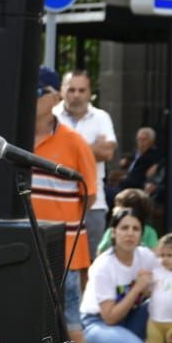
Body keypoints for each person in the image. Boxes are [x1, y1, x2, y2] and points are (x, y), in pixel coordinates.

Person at [32, 66, 97, 343]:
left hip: (65, 254)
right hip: (28, 250)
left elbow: (89, 194)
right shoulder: (12, 138)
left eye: (38, 93)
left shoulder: (74, 143)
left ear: (54, 97)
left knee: (72, 331)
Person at [80, 207, 158, 343]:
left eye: (135, 229)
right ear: (113, 232)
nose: (130, 233)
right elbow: (109, 317)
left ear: (141, 234)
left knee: (165, 310)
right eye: (124, 228)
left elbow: (167, 285)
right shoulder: (104, 265)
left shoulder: (146, 257)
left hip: (128, 316)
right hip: (96, 323)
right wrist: (137, 288)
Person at [54, 68, 117, 251]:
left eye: (82, 90)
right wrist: (92, 148)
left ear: (90, 92)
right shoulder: (51, 116)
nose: (76, 95)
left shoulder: (101, 117)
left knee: (91, 261)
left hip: (94, 204)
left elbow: (107, 153)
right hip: (56, 201)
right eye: (71, 89)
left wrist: (65, 150)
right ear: (62, 90)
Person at [108, 126, 162, 205]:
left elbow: (136, 180)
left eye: (144, 140)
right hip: (125, 185)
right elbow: (129, 161)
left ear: (151, 141)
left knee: (105, 193)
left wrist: (122, 179)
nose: (141, 143)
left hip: (132, 190)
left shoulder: (151, 156)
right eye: (139, 139)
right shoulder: (137, 152)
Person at [98, 187, 158, 255]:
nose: (114, 209)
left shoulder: (114, 230)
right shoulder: (151, 232)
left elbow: (101, 252)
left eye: (118, 206)